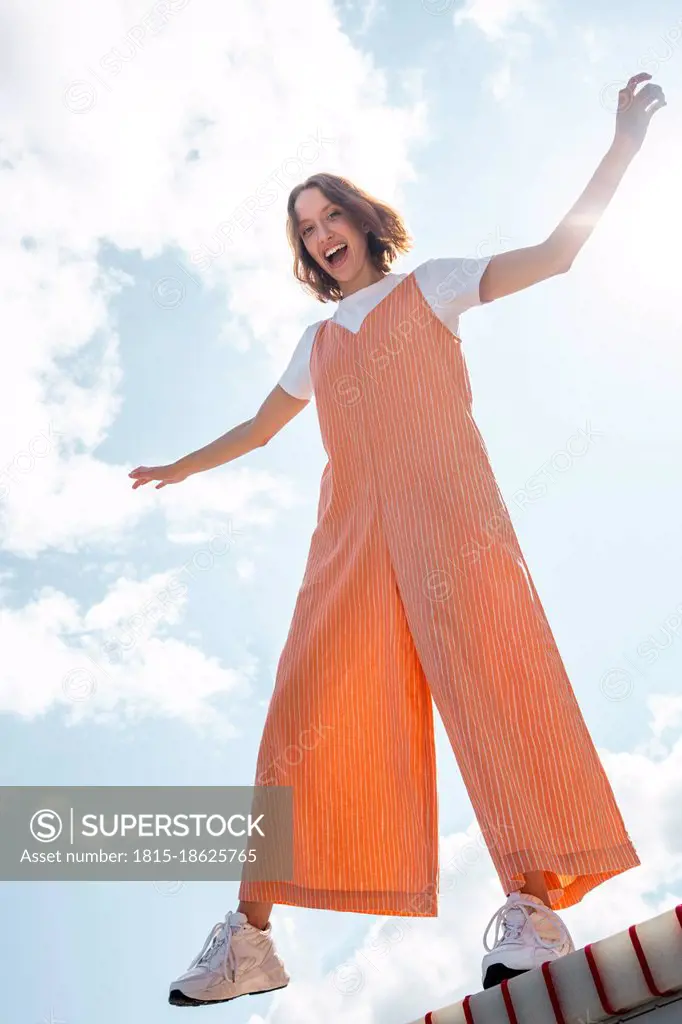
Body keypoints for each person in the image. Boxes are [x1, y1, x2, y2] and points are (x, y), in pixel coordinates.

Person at [129, 72, 665, 1009]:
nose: (317, 231)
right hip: (351, 542)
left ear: (364, 222)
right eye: (302, 225)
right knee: (302, 719)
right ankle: (249, 940)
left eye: (328, 212)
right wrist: (181, 464)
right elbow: (259, 431)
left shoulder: (434, 287)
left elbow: (555, 256)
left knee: (497, 694)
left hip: (453, 519)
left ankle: (533, 913)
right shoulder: (317, 343)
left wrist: (621, 148)